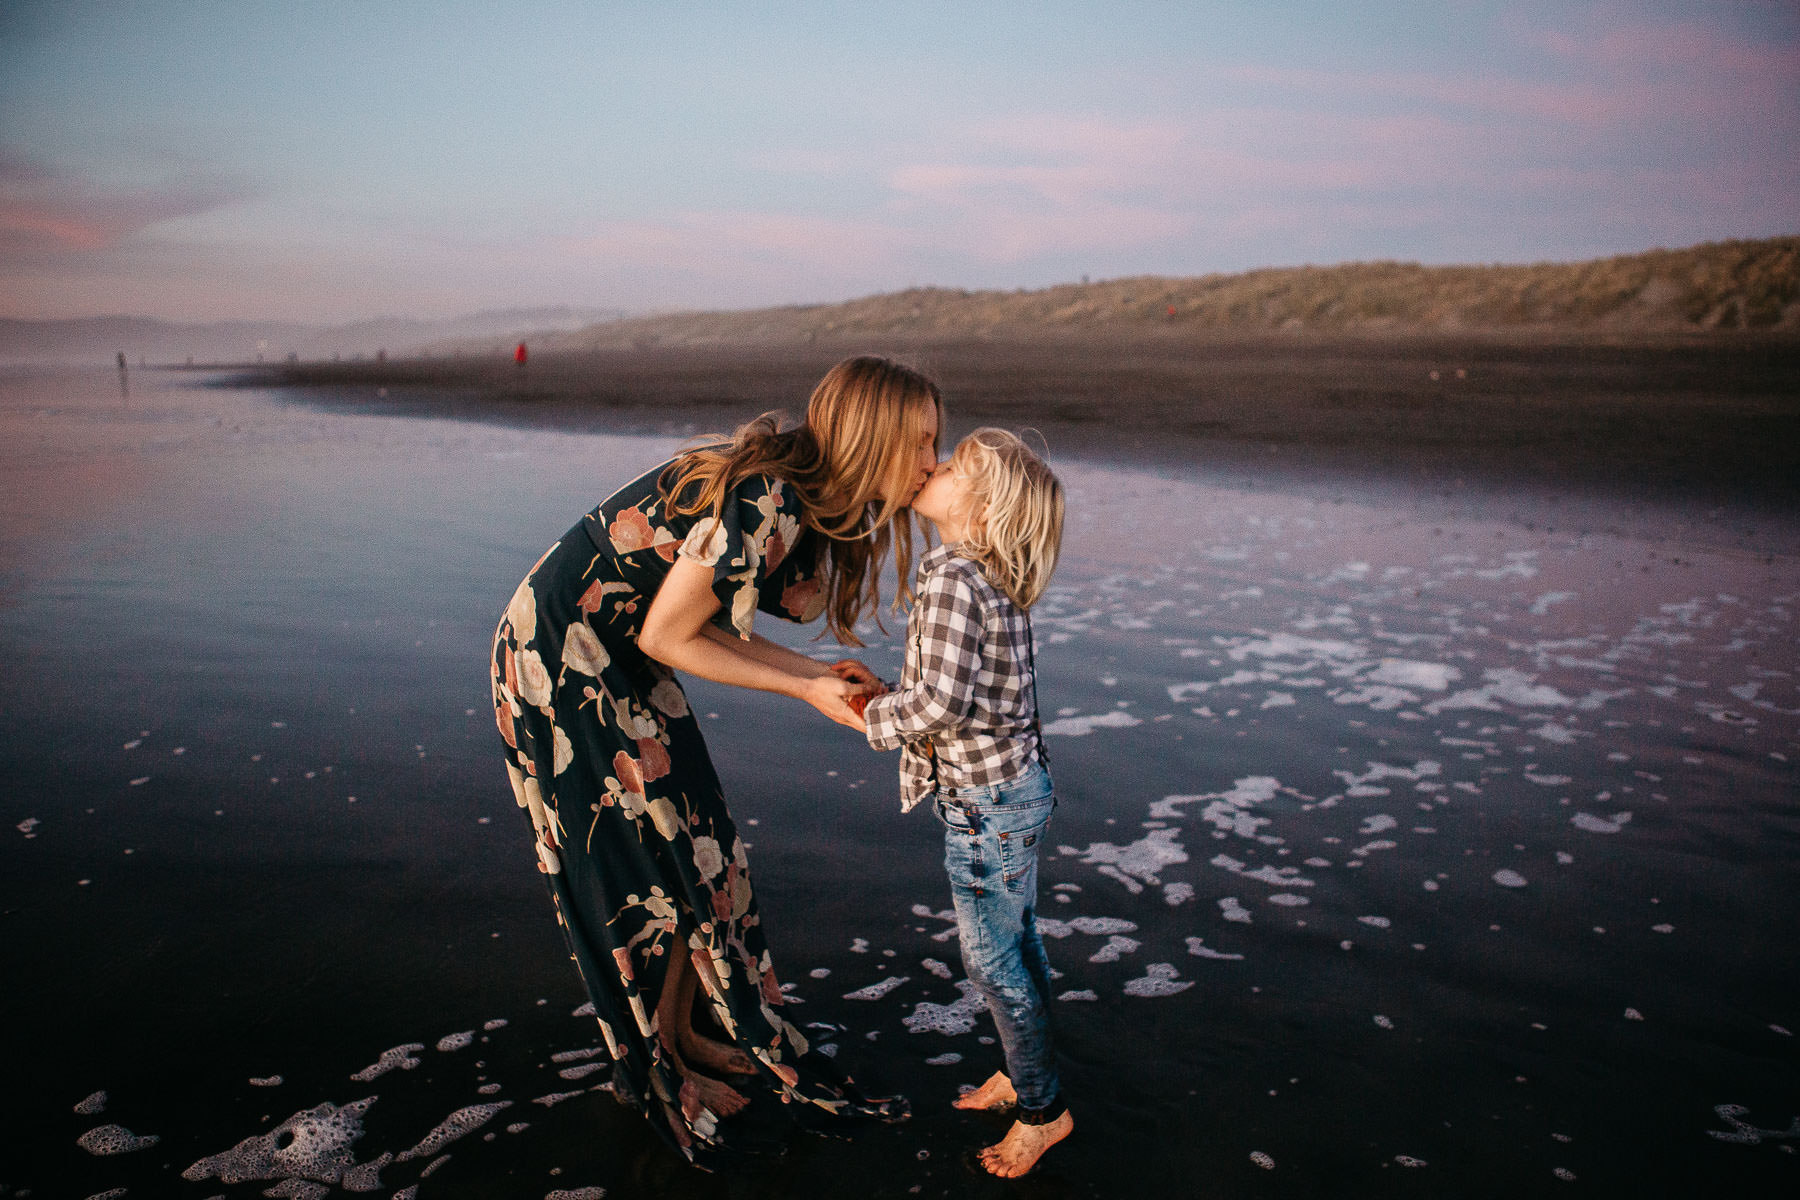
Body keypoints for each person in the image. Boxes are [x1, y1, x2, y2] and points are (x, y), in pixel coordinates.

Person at [490, 355, 939, 1164]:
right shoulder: (769, 496)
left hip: (616, 653)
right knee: (654, 862)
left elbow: (690, 624)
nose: (931, 464)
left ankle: (685, 1034)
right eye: (922, 444)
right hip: (562, 656)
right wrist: (804, 690)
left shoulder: (794, 494)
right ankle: (659, 1063)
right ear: (877, 438)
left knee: (698, 847)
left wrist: (815, 674)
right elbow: (671, 633)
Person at [857, 428, 1072, 1177]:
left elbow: (941, 704)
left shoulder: (952, 577)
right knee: (1020, 944)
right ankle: (1025, 1071)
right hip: (1018, 789)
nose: (930, 468)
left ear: (980, 510)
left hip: (987, 802)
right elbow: (963, 693)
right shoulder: (991, 578)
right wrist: (899, 697)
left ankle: (1044, 1112)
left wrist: (871, 716)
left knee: (990, 961)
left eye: (950, 468)